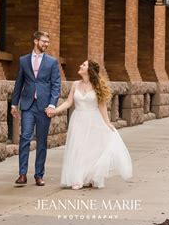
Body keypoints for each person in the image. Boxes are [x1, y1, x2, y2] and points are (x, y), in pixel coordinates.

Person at [47, 59, 132, 189]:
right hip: (78, 120)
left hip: (94, 120)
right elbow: (69, 102)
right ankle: (78, 179)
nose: (80, 66)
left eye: (84, 65)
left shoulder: (97, 85)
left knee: (92, 149)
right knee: (78, 148)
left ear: (89, 70)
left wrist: (108, 123)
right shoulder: (75, 84)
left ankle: (91, 176)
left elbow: (102, 106)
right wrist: (55, 110)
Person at [11, 30, 61, 186]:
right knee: (25, 137)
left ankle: (39, 175)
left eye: (47, 42)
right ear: (35, 41)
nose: (46, 44)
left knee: (41, 141)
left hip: (44, 107)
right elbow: (19, 83)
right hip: (27, 105)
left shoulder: (52, 62)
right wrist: (14, 103)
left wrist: (52, 104)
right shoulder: (24, 60)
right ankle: (22, 174)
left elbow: (56, 85)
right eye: (44, 41)